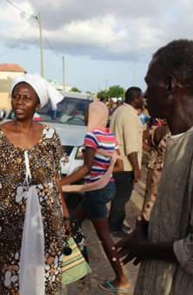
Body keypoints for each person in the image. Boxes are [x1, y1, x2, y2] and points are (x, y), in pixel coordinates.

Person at [117, 40, 193, 294]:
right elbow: (186, 219)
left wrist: (147, 248)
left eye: (149, 82)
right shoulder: (180, 139)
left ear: (170, 85)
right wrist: (148, 230)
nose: (144, 93)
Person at [0, 74, 69, 294]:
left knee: (42, 272)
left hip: (46, 220)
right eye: (16, 97)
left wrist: (64, 212)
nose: (19, 102)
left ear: (37, 104)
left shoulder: (50, 136)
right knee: (4, 274)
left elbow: (55, 178)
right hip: (8, 220)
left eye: (26, 98)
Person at [60, 101, 131, 294]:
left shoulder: (91, 135)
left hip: (96, 191)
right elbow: (119, 165)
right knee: (72, 224)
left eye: (87, 112)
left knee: (104, 237)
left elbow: (86, 169)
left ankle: (122, 279)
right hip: (107, 188)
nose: (84, 115)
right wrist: (103, 173)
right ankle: (72, 265)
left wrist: (61, 183)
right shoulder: (108, 135)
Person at [108, 87, 144, 237]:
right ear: (136, 99)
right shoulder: (129, 116)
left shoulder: (119, 111)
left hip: (117, 161)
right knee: (122, 198)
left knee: (119, 197)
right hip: (126, 164)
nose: (143, 100)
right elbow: (131, 147)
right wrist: (136, 168)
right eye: (141, 97)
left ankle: (116, 224)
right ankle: (114, 227)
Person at [140, 119, 169, 220]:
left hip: (153, 166)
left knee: (149, 196)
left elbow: (139, 138)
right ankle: (147, 223)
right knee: (156, 199)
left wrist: (151, 149)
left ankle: (144, 219)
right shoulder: (171, 132)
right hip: (164, 169)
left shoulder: (156, 129)